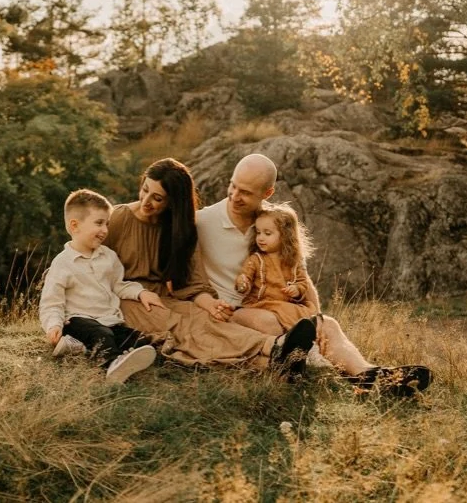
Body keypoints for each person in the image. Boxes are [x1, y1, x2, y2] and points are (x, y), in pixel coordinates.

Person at [194, 153, 432, 395]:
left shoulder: (273, 224)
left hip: (279, 309)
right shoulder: (202, 221)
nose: (234, 196)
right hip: (236, 317)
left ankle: (370, 374)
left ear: (266, 194)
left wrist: (315, 319)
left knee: (328, 325)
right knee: (270, 322)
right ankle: (329, 374)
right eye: (233, 185)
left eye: (245, 192)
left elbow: (302, 278)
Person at [104, 158, 317, 377]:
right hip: (125, 298)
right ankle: (273, 347)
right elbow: (87, 261)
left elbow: (189, 282)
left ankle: (275, 366)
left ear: (172, 202)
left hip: (161, 298)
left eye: (157, 198)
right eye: (144, 189)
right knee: (180, 328)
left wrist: (210, 304)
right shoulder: (121, 218)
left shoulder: (181, 228)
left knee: (202, 319)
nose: (145, 201)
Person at [38, 189, 161, 384]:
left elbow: (119, 285)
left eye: (107, 223)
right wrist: (53, 324)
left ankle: (84, 349)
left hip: (109, 320)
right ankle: (111, 366)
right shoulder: (62, 264)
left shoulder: (108, 256)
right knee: (101, 336)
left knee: (138, 340)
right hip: (78, 321)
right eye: (98, 223)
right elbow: (51, 302)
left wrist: (140, 293)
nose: (105, 230)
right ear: (75, 225)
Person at [233, 202, 319, 333]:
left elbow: (302, 282)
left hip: (286, 304)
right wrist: (242, 283)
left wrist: (296, 290)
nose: (260, 238)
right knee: (286, 312)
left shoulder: (294, 261)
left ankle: (304, 337)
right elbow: (246, 276)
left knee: (306, 312)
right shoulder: (256, 259)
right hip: (262, 304)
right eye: (258, 232)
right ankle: (294, 338)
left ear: (285, 236)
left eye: (267, 233)